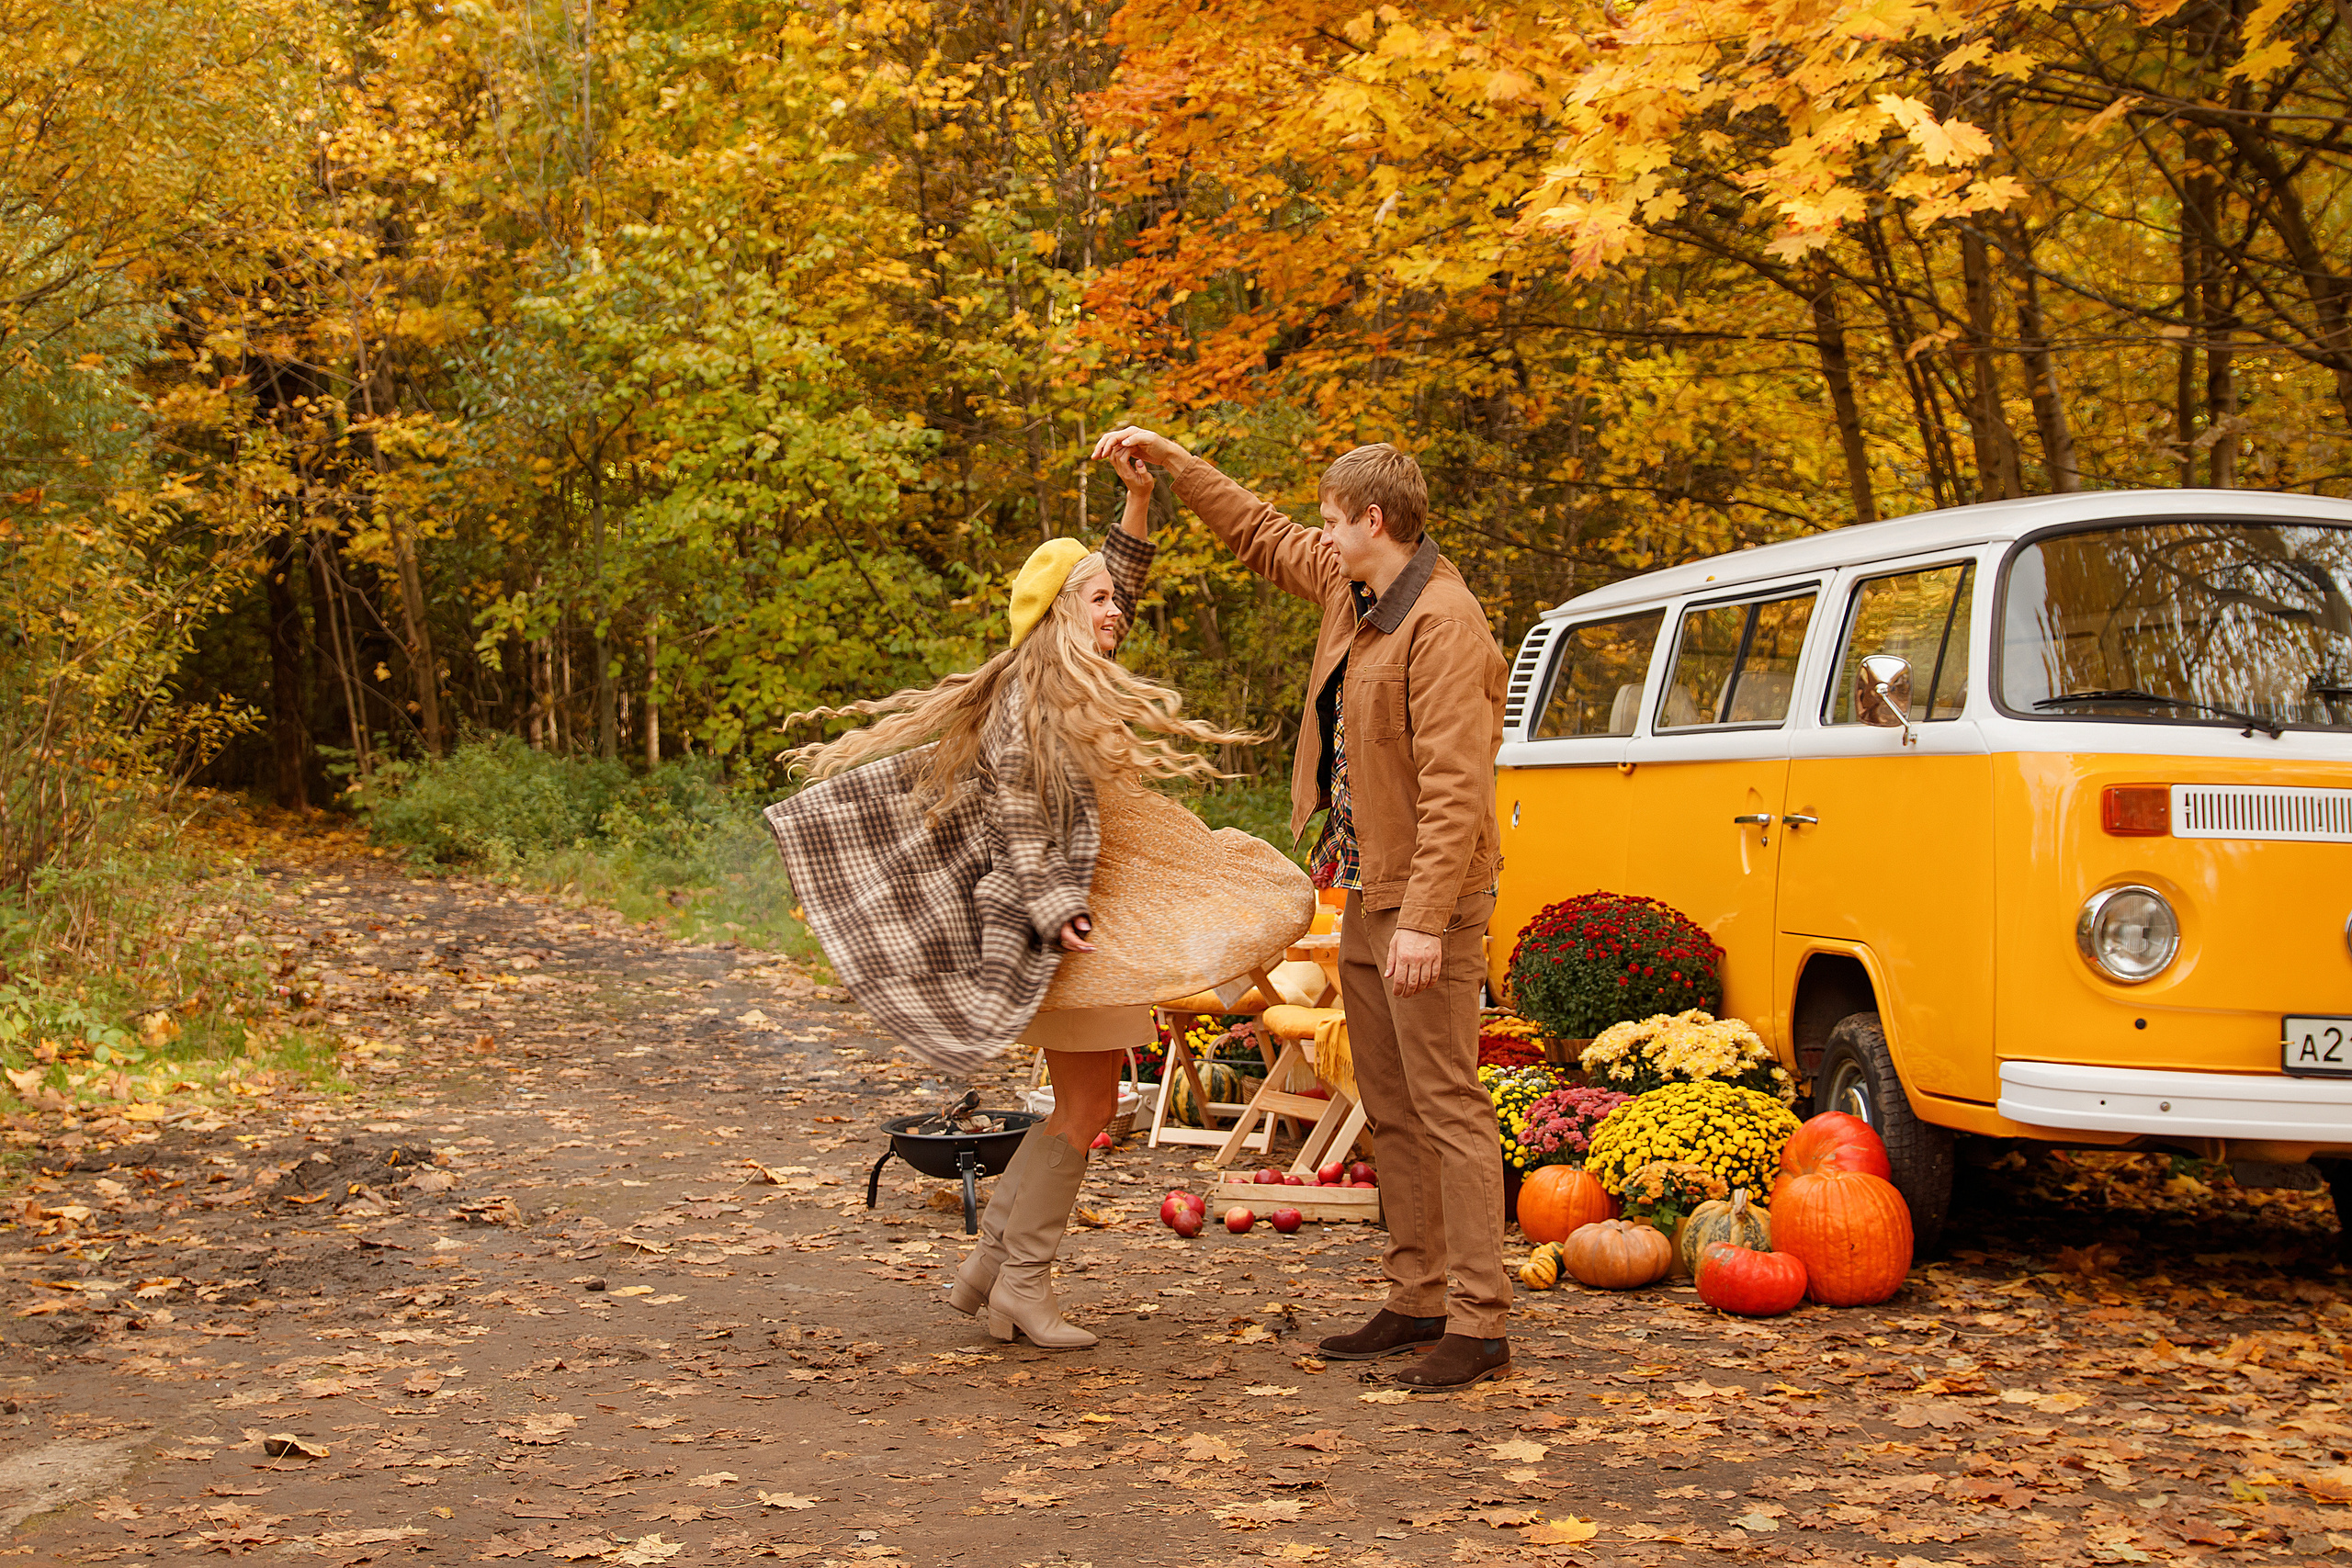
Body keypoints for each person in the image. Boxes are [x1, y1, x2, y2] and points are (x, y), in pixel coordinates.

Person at [764, 449, 1309, 1351]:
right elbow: (1019, 810)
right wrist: (1058, 907)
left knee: (1078, 1110)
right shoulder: (1038, 693)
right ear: (1059, 612)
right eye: (1096, 601)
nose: (1114, 610)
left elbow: (1117, 579)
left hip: (1076, 926)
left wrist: (1137, 500)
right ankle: (1020, 1283)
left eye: (1110, 598)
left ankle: (987, 1269)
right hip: (1059, 929)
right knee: (1090, 1112)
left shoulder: (1066, 672)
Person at [1089, 427, 1511, 1389]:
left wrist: (1422, 922)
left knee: (1447, 1105)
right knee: (1388, 1104)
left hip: (1426, 904)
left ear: (1374, 522)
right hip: (1362, 887)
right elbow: (1254, 531)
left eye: (1332, 520)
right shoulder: (1351, 587)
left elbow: (1456, 791)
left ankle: (1479, 1321)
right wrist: (1171, 464)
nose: (1317, 536)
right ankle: (1417, 1297)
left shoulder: (1444, 625)